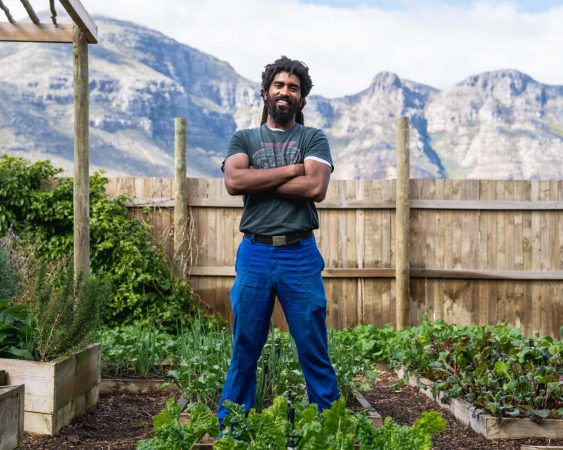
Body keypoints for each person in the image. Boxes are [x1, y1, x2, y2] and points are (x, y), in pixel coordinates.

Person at [218, 56, 339, 423]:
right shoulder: (244, 138)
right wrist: (292, 169)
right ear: (266, 91)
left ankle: (330, 425)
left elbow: (315, 187)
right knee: (245, 346)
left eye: (293, 88)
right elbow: (234, 182)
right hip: (254, 252)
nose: (285, 92)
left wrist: (259, 177)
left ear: (301, 98)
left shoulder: (312, 138)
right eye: (279, 85)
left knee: (312, 346)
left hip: (299, 254)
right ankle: (232, 428)